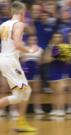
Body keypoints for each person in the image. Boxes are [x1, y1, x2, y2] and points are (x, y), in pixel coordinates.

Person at [0, 1, 37, 132]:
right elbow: (17, 44)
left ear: (11, 12)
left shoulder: (3, 24)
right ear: (23, 12)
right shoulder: (19, 24)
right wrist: (30, 50)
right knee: (26, 91)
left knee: (19, 95)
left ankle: (21, 122)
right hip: (10, 61)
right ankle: (21, 122)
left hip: (4, 59)